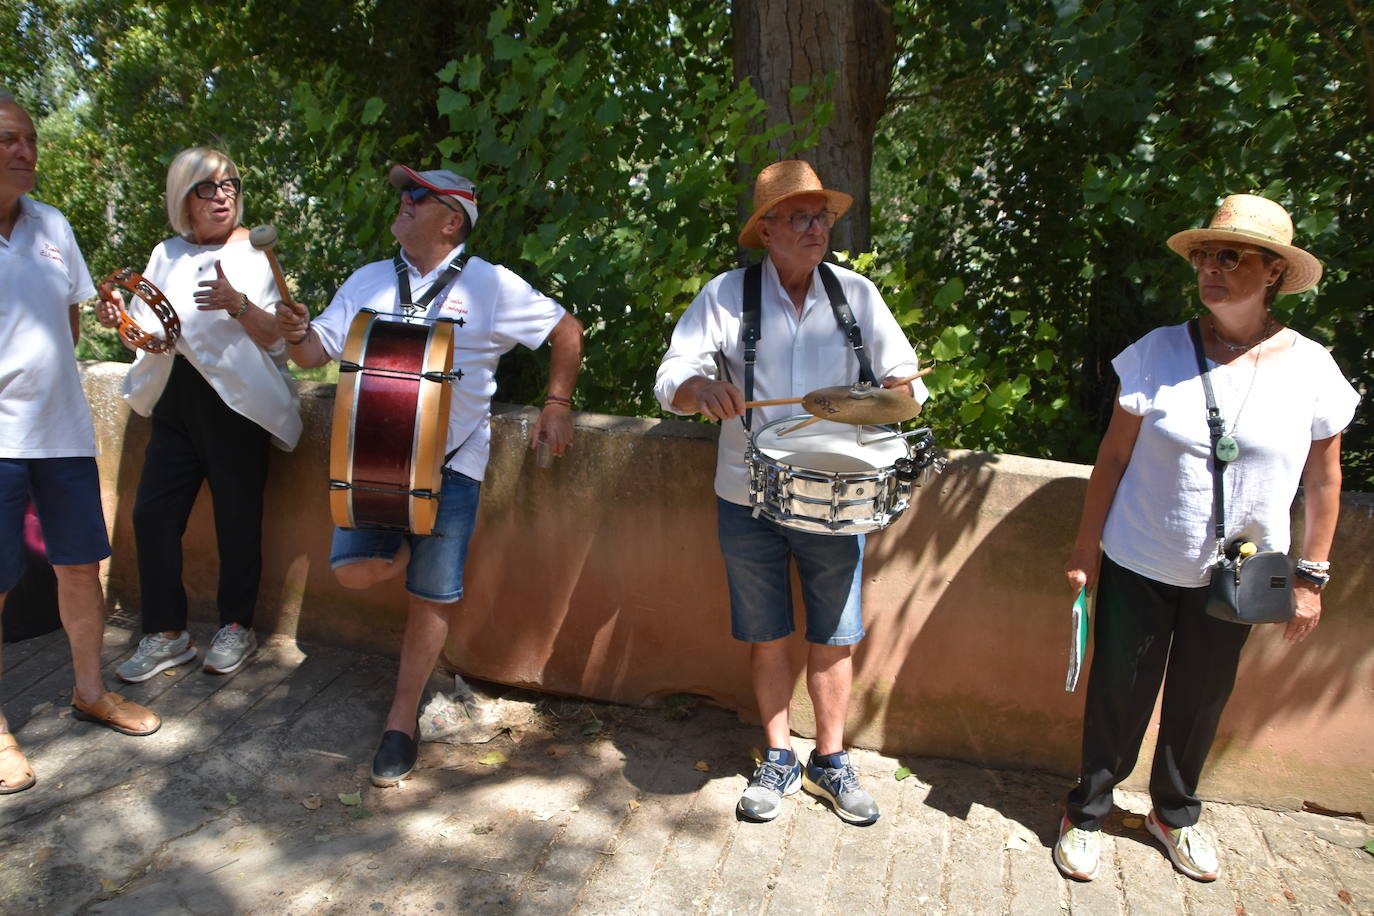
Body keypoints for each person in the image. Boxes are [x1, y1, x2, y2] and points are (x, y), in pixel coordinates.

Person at [1054, 194, 1359, 882]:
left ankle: (1174, 814)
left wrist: (1312, 577)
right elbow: (1112, 459)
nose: (1211, 269)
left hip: (1245, 573)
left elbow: (1324, 482)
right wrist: (1083, 552)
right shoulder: (1156, 354)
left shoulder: (1312, 368)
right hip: (1140, 557)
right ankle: (1088, 811)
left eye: (1231, 257)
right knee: (1119, 692)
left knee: (1201, 698)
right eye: (1204, 256)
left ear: (1274, 272)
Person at [276, 164, 583, 787]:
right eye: (403, 192)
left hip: (456, 464)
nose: (403, 201)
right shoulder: (368, 280)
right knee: (354, 571)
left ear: (452, 221)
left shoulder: (492, 285)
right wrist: (296, 333)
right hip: (372, 462)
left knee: (433, 595)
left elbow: (566, 332)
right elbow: (313, 354)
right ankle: (413, 560)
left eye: (417, 195)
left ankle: (400, 721)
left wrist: (557, 403)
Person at [654, 160, 926, 825]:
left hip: (835, 495)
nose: (816, 229)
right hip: (746, 492)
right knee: (767, 631)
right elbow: (671, 377)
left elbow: (909, 387)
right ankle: (778, 757)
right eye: (800, 218)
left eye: (822, 217)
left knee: (835, 631)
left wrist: (884, 400)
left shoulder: (856, 296)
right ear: (767, 229)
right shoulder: (725, 295)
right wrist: (701, 392)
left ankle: (831, 761)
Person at [1, 90, 160, 795]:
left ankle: (89, 691)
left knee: (80, 567)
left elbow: (68, 326)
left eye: (30, 138)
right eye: (9, 138)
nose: (25, 150)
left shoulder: (53, 224)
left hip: (62, 431)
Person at [96, 147, 301, 684]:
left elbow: (277, 341)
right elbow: (148, 329)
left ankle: (237, 626)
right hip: (176, 399)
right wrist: (118, 319)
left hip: (237, 405)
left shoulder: (255, 253)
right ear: (182, 198)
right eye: (208, 188)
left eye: (230, 184)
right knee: (152, 515)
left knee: (238, 518)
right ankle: (167, 634)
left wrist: (236, 303)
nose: (223, 196)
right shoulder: (165, 253)